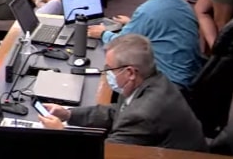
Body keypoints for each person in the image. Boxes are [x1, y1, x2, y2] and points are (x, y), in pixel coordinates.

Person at [39, 34, 208, 153]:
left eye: (110, 68)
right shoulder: (151, 80)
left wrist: (61, 133)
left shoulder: (142, 114)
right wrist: (68, 114)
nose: (107, 73)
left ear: (130, 72)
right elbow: (117, 111)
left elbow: (106, 154)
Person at [88, 0, 202, 89]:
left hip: (168, 84)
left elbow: (122, 45)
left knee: (108, 72)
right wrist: (134, 23)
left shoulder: (148, 11)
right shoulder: (183, 5)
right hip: (187, 77)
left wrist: (103, 33)